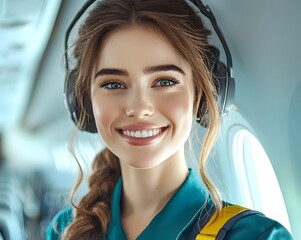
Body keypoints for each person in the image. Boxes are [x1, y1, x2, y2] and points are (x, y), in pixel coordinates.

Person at [47, 0, 294, 239]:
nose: (140, 108)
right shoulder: (66, 230)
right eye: (113, 84)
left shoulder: (256, 236)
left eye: (165, 82)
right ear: (84, 102)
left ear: (202, 93)